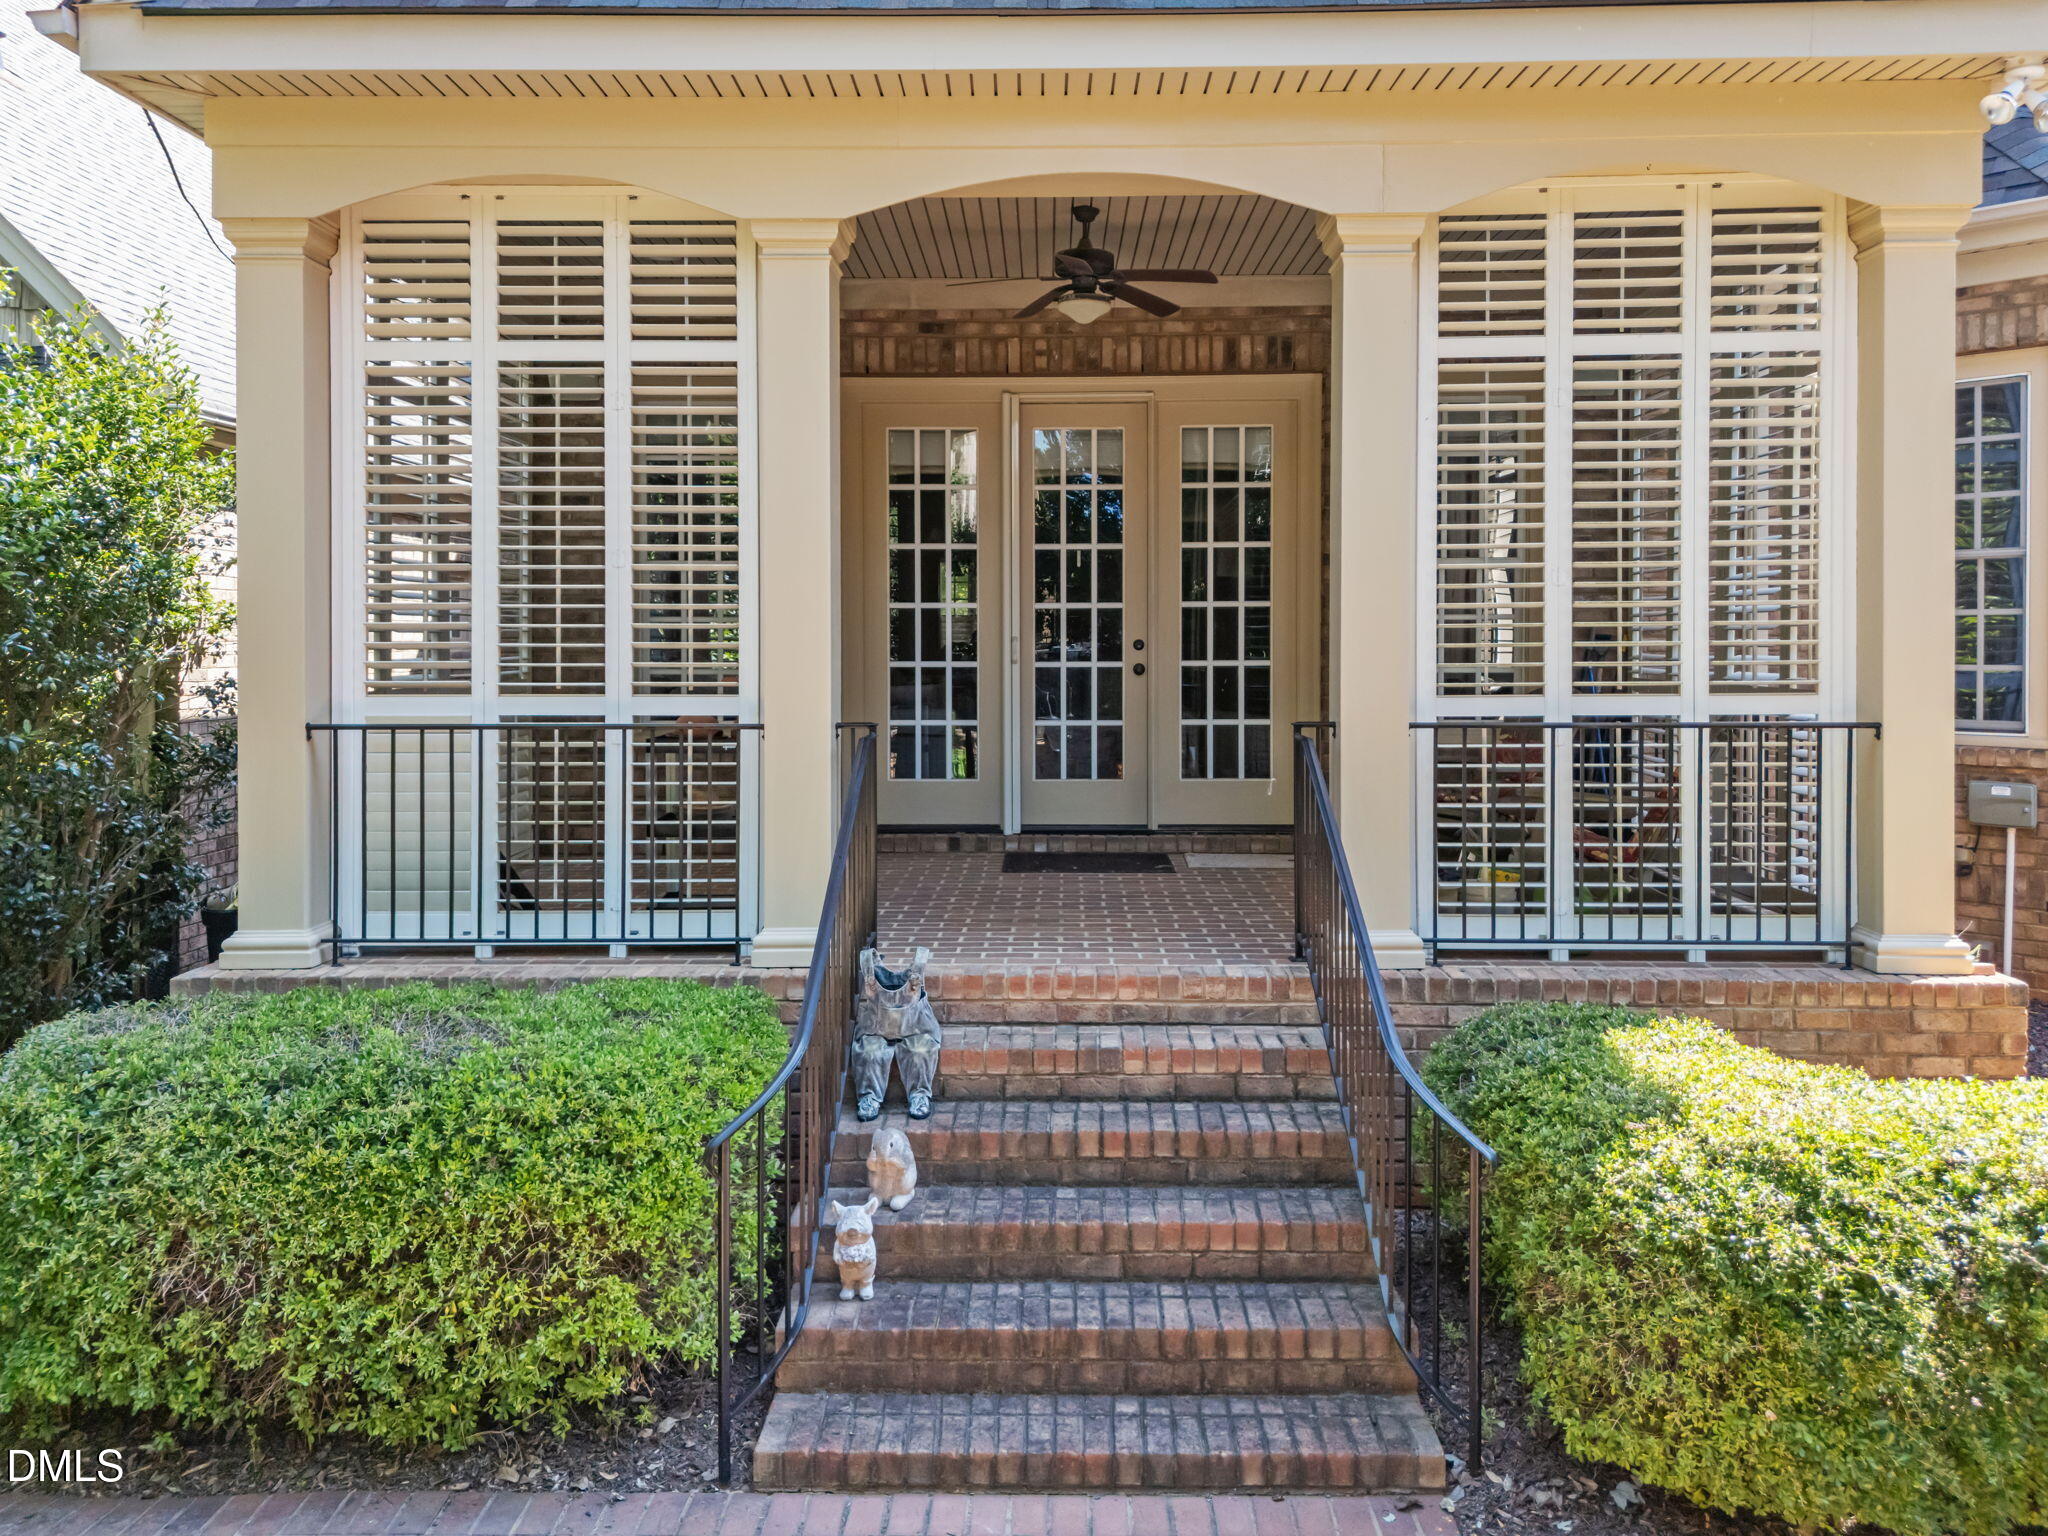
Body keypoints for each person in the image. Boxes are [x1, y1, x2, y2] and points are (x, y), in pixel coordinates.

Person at [851, 946, 941, 1121]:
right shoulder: (868, 967)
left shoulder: (920, 965)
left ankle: (919, 1095)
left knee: (921, 1051)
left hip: (916, 1028)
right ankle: (868, 1097)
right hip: (875, 1029)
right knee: (869, 1052)